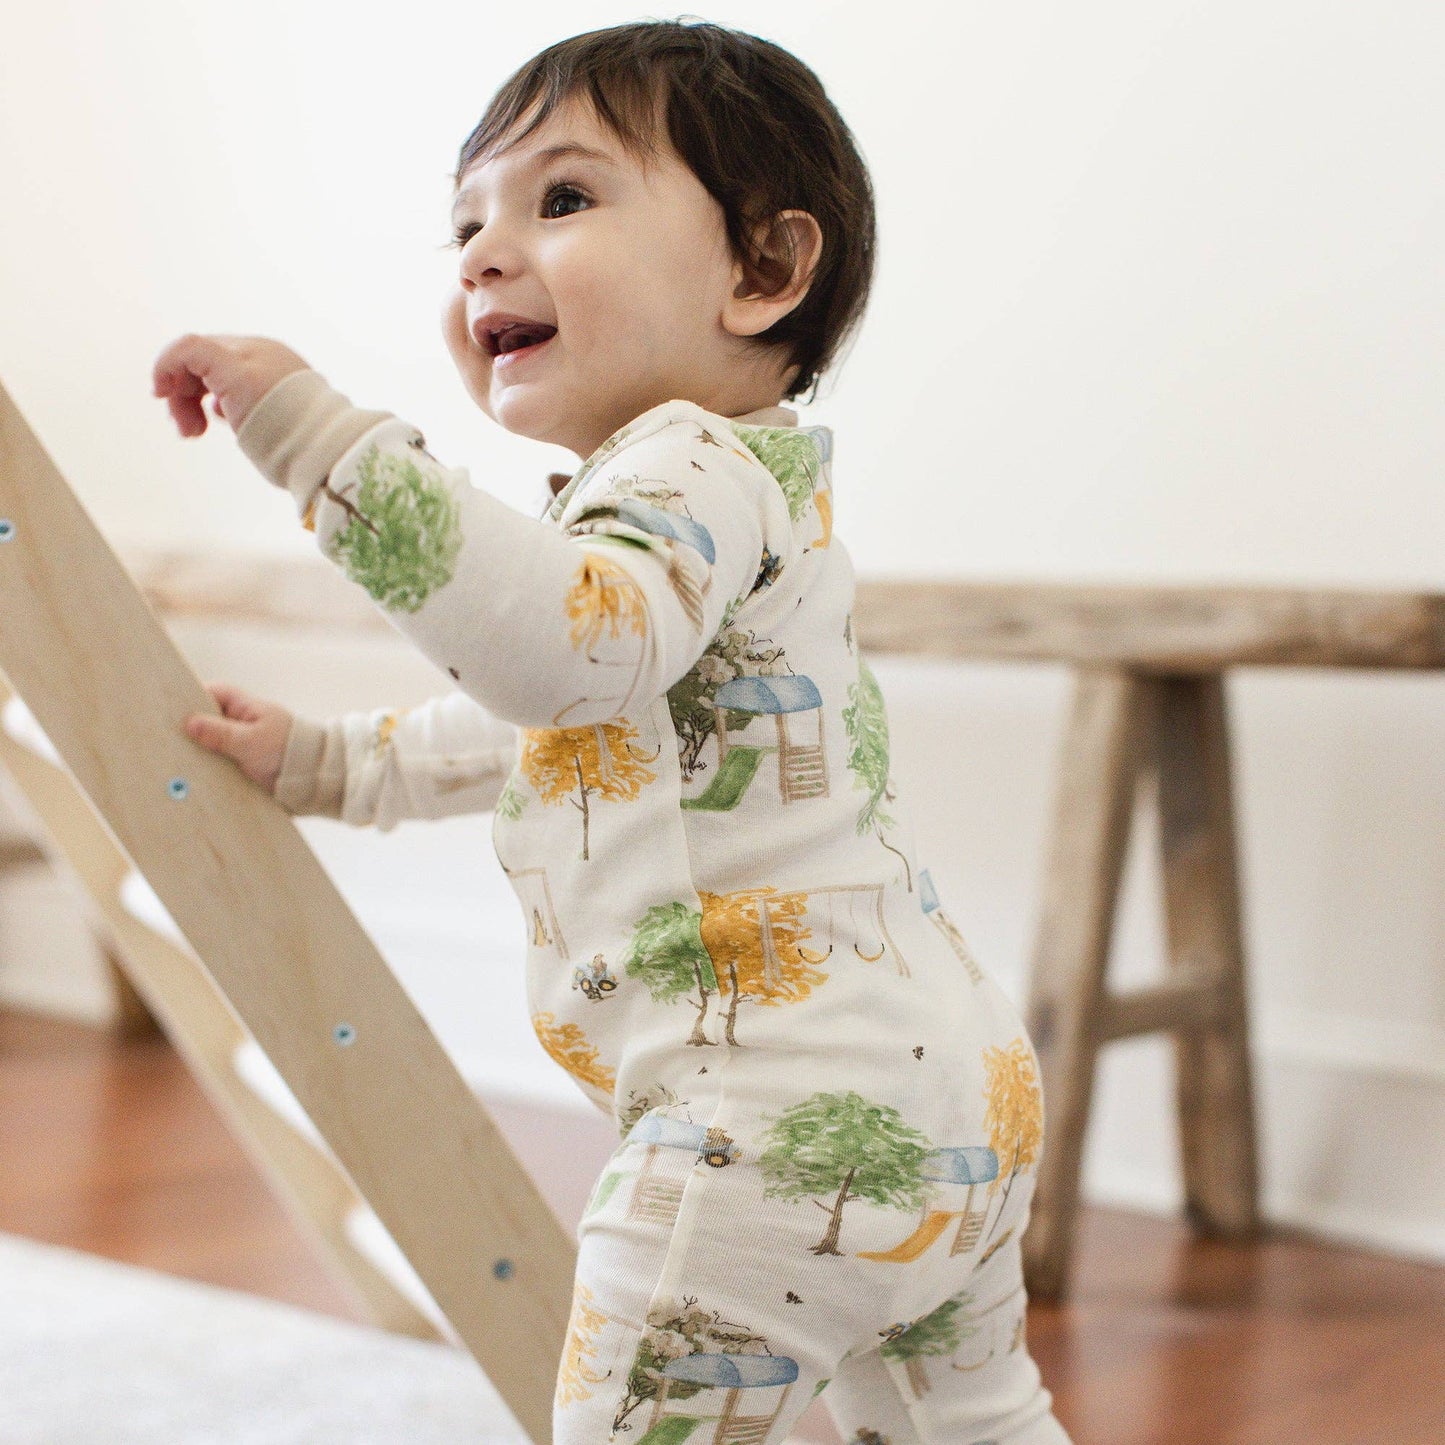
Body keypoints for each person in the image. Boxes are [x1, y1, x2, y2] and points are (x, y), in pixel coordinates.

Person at [152, 19, 1072, 1445]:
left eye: (561, 200)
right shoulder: (741, 495)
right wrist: (339, 762)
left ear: (762, 272)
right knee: (972, 1419)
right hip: (955, 1087)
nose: (481, 255)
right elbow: (583, 729)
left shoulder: (683, 465)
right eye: (466, 222)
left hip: (768, 1113)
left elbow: (553, 654)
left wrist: (316, 439)